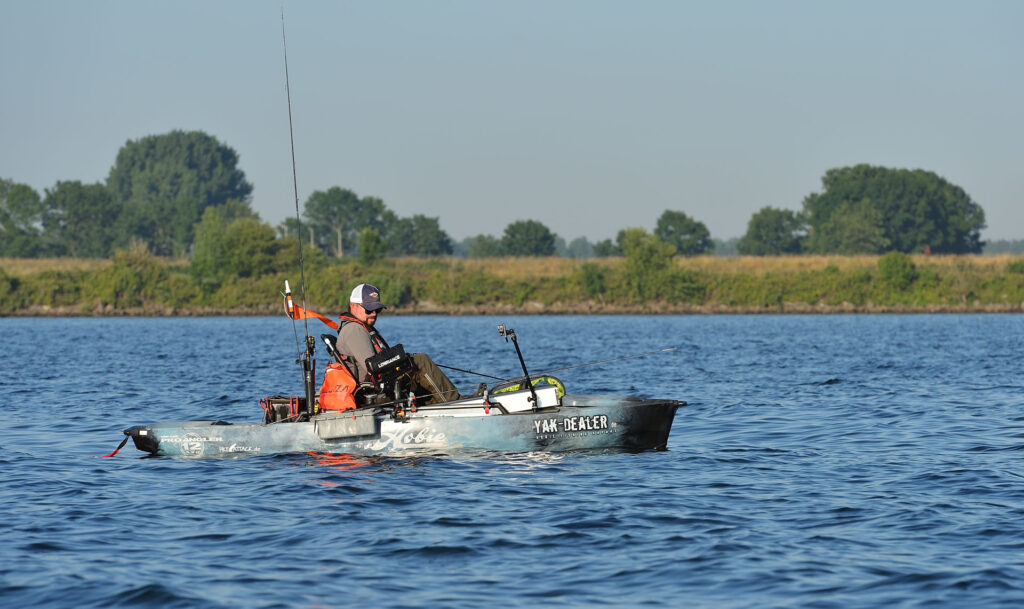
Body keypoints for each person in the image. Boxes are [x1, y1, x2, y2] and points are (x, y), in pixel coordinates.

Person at [335, 283, 463, 405]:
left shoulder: (360, 327)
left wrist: (402, 360)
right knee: (420, 360)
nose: (374, 313)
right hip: (371, 392)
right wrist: (402, 361)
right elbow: (373, 368)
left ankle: (438, 401)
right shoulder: (354, 330)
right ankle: (453, 400)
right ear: (353, 306)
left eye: (377, 309)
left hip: (380, 385)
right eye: (369, 309)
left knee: (413, 363)